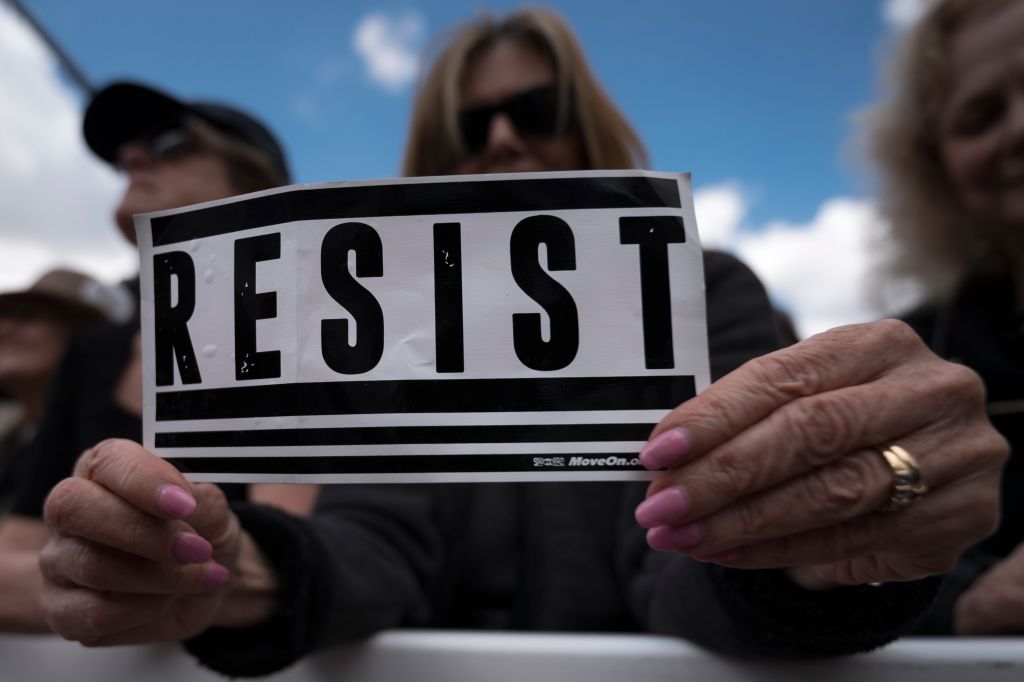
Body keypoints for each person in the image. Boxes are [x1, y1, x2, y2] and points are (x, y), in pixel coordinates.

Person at [36, 9, 1006, 676]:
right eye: (468, 123)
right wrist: (242, 569)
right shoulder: (390, 332)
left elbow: (690, 551)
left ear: (587, 131)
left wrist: (831, 531)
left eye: (534, 112)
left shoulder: (706, 292)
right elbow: (377, 537)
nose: (501, 138)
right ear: (433, 157)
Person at [0, 82, 316, 633]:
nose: (133, 157)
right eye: (126, 153)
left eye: (172, 140)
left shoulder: (306, 330)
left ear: (253, 181)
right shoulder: (94, 349)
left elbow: (279, 554)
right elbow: (22, 544)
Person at [864, 0, 1024, 635]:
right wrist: (967, 599)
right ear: (934, 168)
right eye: (979, 116)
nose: (1020, 128)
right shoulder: (913, 356)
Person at [0, 268, 119, 512]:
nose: (4, 330)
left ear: (84, 336)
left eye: (28, 317)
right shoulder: (10, 431)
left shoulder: (108, 444)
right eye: (2, 318)